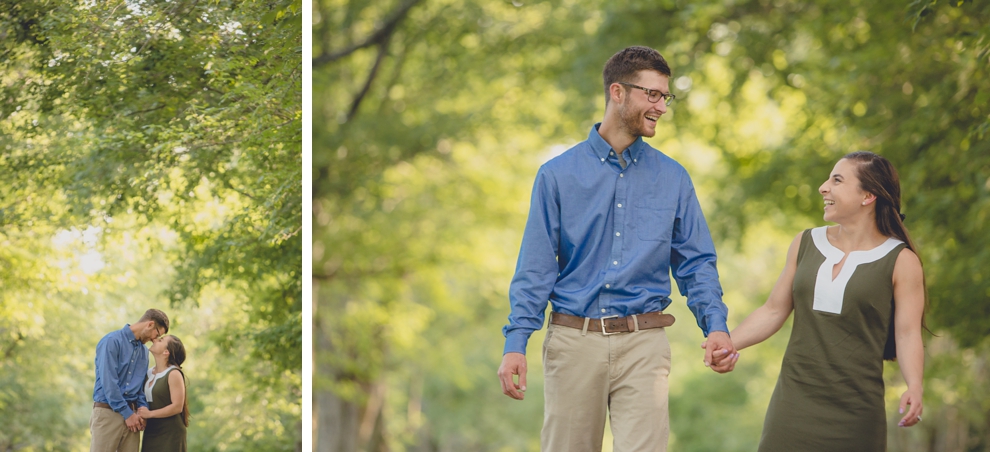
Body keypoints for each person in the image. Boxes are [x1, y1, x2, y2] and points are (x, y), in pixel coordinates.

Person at [497, 45, 737, 452]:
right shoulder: (556, 176)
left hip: (645, 342)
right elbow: (537, 268)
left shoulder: (674, 178)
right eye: (653, 94)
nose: (661, 106)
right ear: (618, 92)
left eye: (666, 96)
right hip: (574, 342)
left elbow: (696, 263)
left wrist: (715, 325)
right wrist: (515, 343)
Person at [715, 151, 925, 451]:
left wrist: (914, 386)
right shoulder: (805, 242)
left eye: (836, 180)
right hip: (792, 406)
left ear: (868, 196)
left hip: (857, 415)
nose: (823, 187)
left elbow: (907, 333)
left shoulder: (902, 261)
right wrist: (728, 343)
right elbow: (773, 310)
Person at [91, 309, 169, 452]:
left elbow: (139, 388)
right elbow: (109, 383)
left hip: (133, 417)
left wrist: (142, 409)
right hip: (108, 413)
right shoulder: (111, 341)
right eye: (156, 334)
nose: (154, 339)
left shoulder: (144, 352)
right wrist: (127, 414)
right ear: (150, 324)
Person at [138, 335, 189, 451]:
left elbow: (177, 407)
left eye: (160, 340)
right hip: (151, 431)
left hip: (171, 434)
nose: (154, 340)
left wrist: (149, 414)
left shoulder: (173, 373)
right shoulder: (148, 373)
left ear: (166, 352)